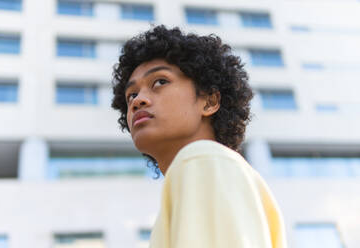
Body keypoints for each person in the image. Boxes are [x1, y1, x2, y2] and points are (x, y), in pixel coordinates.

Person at [112, 25, 287, 248]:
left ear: (209, 102)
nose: (138, 101)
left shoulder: (203, 160)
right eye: (131, 95)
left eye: (160, 82)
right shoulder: (215, 170)